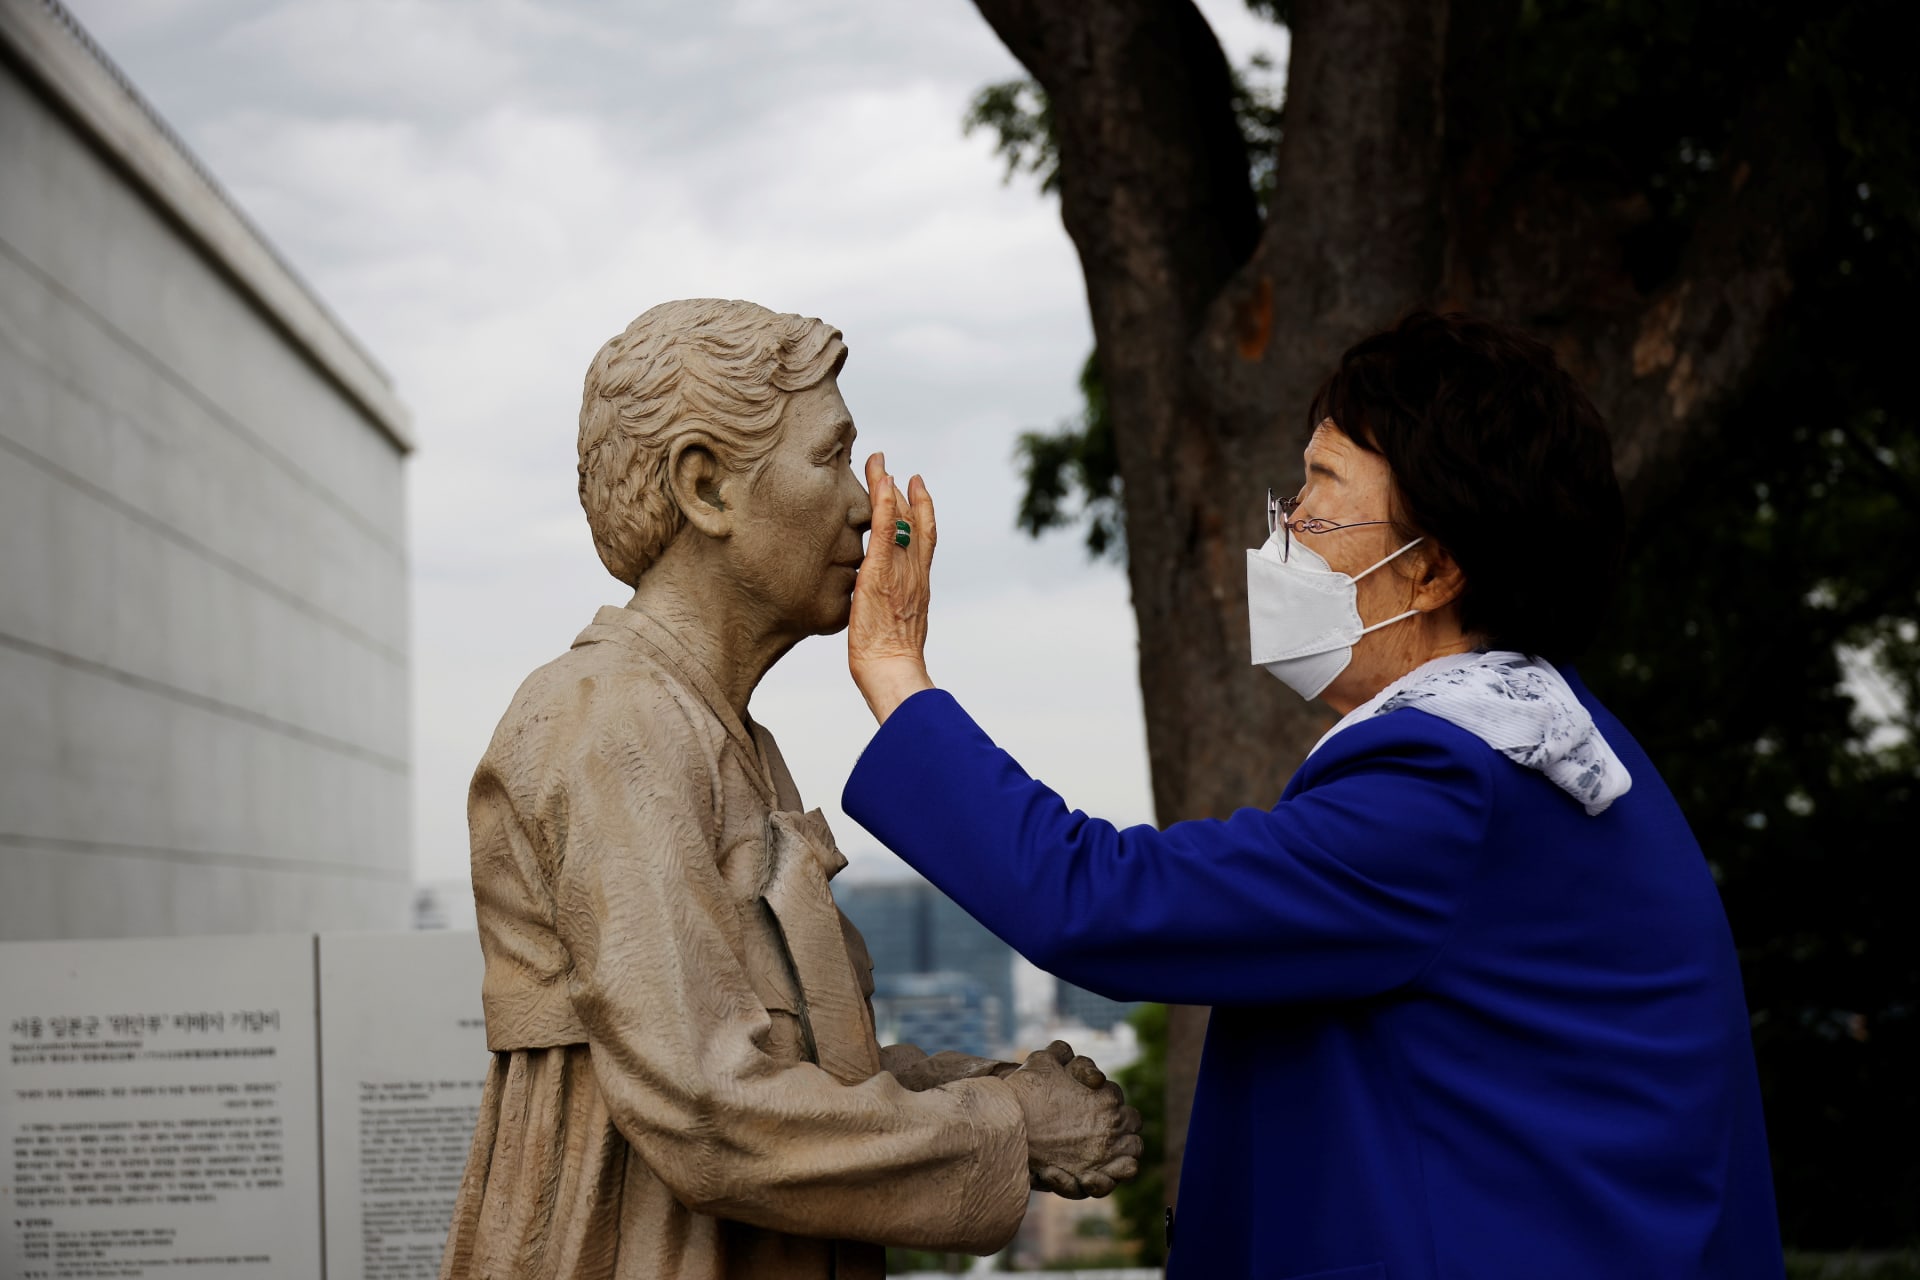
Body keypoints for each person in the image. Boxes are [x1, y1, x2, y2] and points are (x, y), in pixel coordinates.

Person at [841, 311, 1784, 1279]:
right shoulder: (1542, 737)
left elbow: (1099, 902)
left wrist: (893, 667)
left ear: (1433, 566)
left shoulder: (1451, 779)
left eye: (1319, 498)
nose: (1284, 529)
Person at [438, 298, 1139, 1280]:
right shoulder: (607, 718)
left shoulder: (733, 739)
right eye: (830, 458)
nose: (863, 503)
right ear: (706, 484)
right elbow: (712, 1110)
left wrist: (982, 1083)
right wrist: (1007, 1124)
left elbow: (795, 1074)